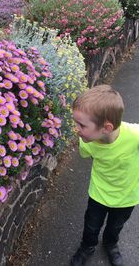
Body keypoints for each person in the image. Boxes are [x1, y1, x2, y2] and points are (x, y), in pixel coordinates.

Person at [71, 85, 139, 266]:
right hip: (99, 193)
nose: (76, 129)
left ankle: (111, 244)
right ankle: (87, 246)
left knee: (116, 226)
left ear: (106, 127)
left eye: (81, 125)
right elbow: (89, 154)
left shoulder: (134, 135)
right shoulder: (87, 141)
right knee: (91, 225)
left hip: (127, 196)